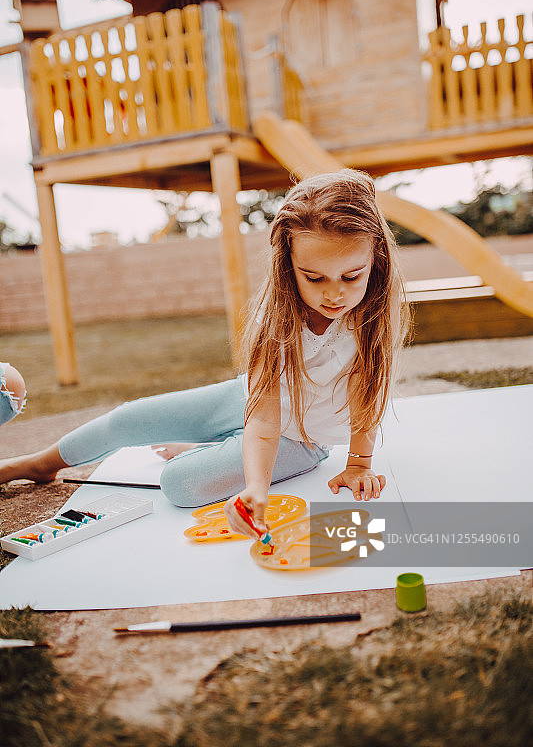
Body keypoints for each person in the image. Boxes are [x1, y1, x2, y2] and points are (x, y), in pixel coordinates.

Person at [0, 170, 409, 540]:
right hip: (250, 402)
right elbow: (263, 416)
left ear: (376, 257)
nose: (334, 293)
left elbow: (365, 399)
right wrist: (256, 487)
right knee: (127, 419)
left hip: (301, 436)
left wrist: (358, 462)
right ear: (289, 265)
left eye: (351, 276)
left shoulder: (372, 319)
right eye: (314, 277)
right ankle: (41, 462)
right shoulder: (278, 313)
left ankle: (217, 446)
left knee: (181, 484)